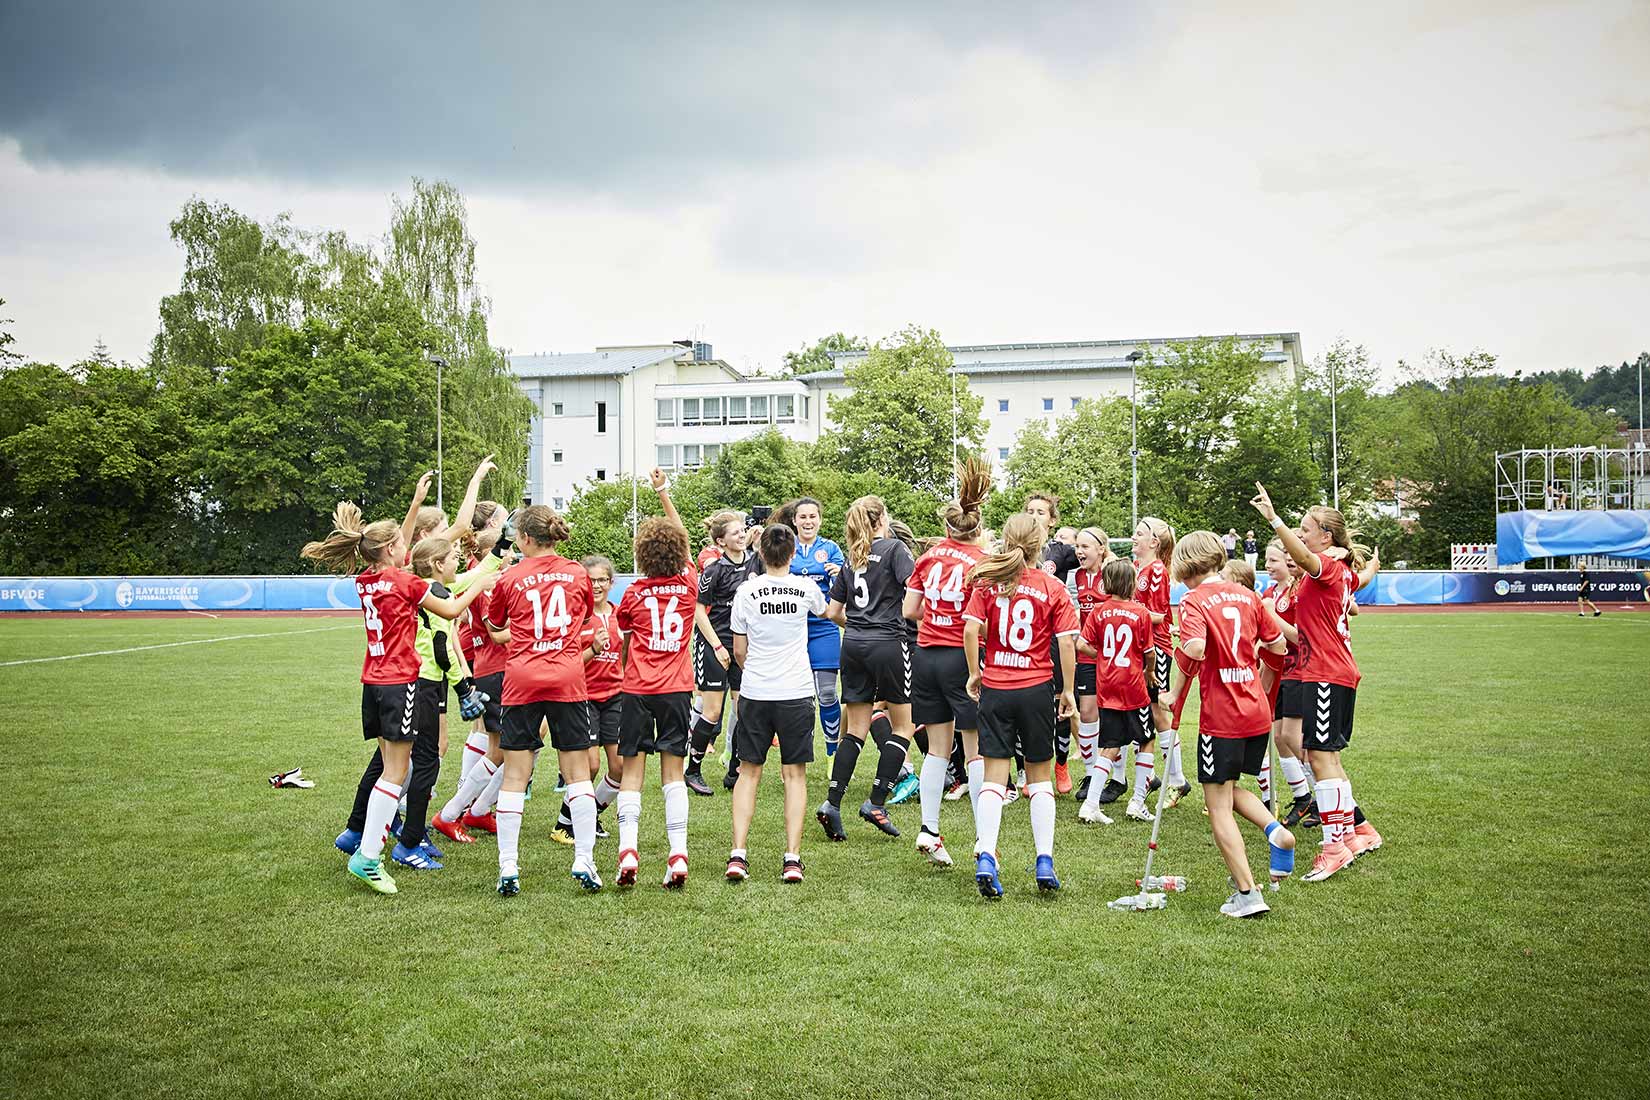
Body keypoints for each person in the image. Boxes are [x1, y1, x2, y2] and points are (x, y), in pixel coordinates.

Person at [303, 502, 498, 895]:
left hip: (372, 682)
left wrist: (411, 509)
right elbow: (453, 607)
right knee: (395, 772)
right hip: (400, 682)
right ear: (393, 548)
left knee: (390, 769)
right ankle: (369, 858)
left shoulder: (367, 580)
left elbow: (395, 549)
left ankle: (366, 845)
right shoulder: (405, 584)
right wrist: (482, 581)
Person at [1250, 483, 1382, 882]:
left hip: (1326, 672)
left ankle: (1333, 846)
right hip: (1326, 670)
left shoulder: (1325, 567)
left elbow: (1306, 556)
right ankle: (1356, 833)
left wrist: (1274, 518)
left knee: (1321, 758)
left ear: (1325, 536)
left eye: (1307, 528)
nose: (1301, 534)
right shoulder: (1340, 570)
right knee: (1329, 759)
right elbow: (1362, 577)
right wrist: (1371, 563)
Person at [1170, 529, 1294, 918]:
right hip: (1255, 708)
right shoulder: (1248, 595)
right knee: (1228, 788)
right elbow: (1278, 646)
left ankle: (1247, 892)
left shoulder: (1193, 600)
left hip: (1221, 714)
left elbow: (1196, 649)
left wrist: (1181, 652)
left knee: (1217, 803)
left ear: (1186, 563)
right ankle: (1276, 831)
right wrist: (1252, 667)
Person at [485, 504, 600, 896]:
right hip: (567, 676)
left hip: (521, 679)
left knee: (516, 776)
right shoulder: (577, 573)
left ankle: (508, 867)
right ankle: (584, 858)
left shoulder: (510, 578)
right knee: (577, 774)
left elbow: (496, 625)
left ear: (526, 539)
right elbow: (584, 619)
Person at [962, 513, 1079, 898]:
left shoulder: (988, 582)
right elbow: (1065, 642)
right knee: (1039, 777)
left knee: (994, 778)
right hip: (1036, 688)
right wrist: (1067, 691)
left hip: (996, 686)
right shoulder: (1052, 586)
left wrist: (974, 673)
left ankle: (986, 856)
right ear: (1040, 545)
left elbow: (969, 629)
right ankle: (1044, 859)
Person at [902, 456, 993, 867]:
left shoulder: (929, 555)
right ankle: (980, 835)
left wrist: (936, 614)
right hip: (961, 656)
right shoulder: (982, 562)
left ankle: (929, 828)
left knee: (937, 749)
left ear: (947, 528)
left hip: (926, 654)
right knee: (973, 749)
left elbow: (909, 609)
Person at [392, 535, 503, 869]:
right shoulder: (436, 592)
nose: (458, 561)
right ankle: (405, 839)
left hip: (422, 682)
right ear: (438, 564)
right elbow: (442, 648)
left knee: (416, 760)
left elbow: (475, 575)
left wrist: (501, 547)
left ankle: (406, 832)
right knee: (423, 762)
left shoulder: (432, 585)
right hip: (423, 683)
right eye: (453, 557)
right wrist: (463, 688)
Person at [725, 523, 826, 884]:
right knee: (794, 775)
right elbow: (825, 611)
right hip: (795, 692)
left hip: (755, 690)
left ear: (761, 553)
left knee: (748, 772)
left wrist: (752, 670)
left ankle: (738, 854)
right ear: (793, 552)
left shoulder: (747, 591)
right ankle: (792, 859)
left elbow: (739, 650)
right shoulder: (805, 587)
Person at [613, 471, 698, 889]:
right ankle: (677, 853)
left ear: (642, 555)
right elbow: (681, 536)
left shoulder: (631, 594)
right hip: (677, 687)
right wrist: (664, 494)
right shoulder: (688, 587)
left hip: (637, 689)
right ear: (680, 554)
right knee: (673, 773)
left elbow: (624, 635)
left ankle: (628, 848)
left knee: (632, 771)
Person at [817, 495, 918, 841]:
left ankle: (832, 802)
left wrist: (859, 624)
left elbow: (832, 613)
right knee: (904, 726)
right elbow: (914, 591)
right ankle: (876, 802)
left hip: (854, 644)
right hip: (888, 643)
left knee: (855, 728)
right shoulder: (894, 549)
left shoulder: (851, 557)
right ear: (882, 519)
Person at [548, 555, 626, 845]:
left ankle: (587, 816)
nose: (596, 585)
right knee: (590, 765)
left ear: (611, 582)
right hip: (583, 696)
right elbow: (565, 663)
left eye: (602, 580)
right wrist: (593, 649)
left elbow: (626, 655)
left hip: (615, 696)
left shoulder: (619, 615)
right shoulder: (575, 618)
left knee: (619, 768)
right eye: (590, 580)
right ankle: (564, 824)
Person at [1075, 559, 1154, 826]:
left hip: (1107, 684)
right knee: (1147, 740)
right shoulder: (1140, 613)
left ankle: (1091, 804)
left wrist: (1102, 657)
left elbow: (1081, 643)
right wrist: (1150, 672)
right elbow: (1149, 652)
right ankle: (1138, 802)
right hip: (1132, 684)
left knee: (1110, 745)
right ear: (1131, 583)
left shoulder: (1097, 611)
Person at [686, 511, 759, 795]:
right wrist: (717, 646)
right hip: (713, 645)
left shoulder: (756, 563)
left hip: (743, 648)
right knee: (713, 711)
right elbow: (697, 610)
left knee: (744, 710)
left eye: (743, 531)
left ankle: (734, 770)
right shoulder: (715, 569)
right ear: (721, 541)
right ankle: (693, 770)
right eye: (735, 533)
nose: (742, 535)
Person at [784, 498, 847, 755]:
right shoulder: (787, 547)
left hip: (824, 627)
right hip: (792, 630)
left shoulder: (831, 549)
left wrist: (837, 575)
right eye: (803, 517)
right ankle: (799, 752)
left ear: (820, 520)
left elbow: (845, 590)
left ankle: (832, 753)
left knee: (828, 693)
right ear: (794, 520)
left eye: (813, 517)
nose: (808, 521)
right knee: (796, 697)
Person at [1069, 527, 1112, 803]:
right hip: (1086, 653)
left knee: (1114, 715)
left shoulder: (1113, 574)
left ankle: (1118, 776)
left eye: (1085, 547)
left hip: (1112, 655)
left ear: (1101, 549)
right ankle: (1090, 773)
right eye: (1077, 547)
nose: (1079, 552)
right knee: (1086, 713)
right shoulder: (1077, 576)